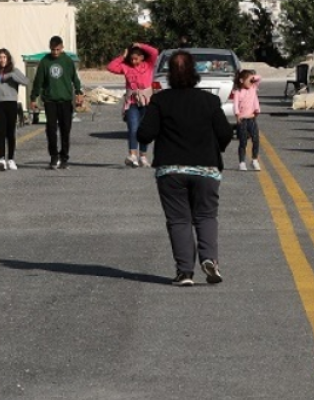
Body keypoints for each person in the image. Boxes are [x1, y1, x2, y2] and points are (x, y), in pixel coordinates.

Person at [137, 50, 233, 286]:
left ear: (169, 74)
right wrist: (213, 150)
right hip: (206, 168)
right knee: (206, 216)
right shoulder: (209, 101)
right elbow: (225, 133)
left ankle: (185, 273)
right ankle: (209, 259)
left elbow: (145, 134)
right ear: (194, 72)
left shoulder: (160, 100)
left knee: (179, 220)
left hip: (171, 170)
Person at [30, 36, 84, 170]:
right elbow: (38, 81)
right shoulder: (45, 62)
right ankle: (54, 156)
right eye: (53, 50)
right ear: (50, 48)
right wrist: (33, 98)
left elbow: (75, 78)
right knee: (51, 130)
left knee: (65, 130)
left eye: (58, 49)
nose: (55, 52)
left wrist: (79, 92)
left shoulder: (67, 61)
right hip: (50, 101)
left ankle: (64, 157)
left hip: (65, 101)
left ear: (62, 47)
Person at [106, 42, 159, 168]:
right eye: (131, 59)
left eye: (136, 59)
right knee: (133, 128)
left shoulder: (149, 65)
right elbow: (111, 67)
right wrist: (123, 56)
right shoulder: (126, 67)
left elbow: (155, 52)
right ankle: (132, 155)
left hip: (147, 102)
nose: (133, 61)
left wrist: (140, 45)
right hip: (132, 102)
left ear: (142, 57)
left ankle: (143, 156)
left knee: (145, 130)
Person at [0, 48, 29, 171]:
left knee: (10, 133)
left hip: (11, 103)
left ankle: (11, 159)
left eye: (4, 57)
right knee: (1, 133)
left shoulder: (14, 71)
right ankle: (1, 158)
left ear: (8, 59)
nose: (2, 60)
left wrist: (11, 76)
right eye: (0, 57)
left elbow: (26, 81)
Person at [232, 69, 262, 171]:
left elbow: (259, 78)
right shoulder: (238, 92)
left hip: (252, 118)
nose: (251, 82)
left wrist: (252, 78)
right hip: (242, 119)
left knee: (256, 139)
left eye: (252, 80)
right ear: (241, 80)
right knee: (243, 141)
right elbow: (235, 105)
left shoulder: (253, 88)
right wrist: (237, 116)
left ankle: (254, 160)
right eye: (249, 80)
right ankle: (242, 162)